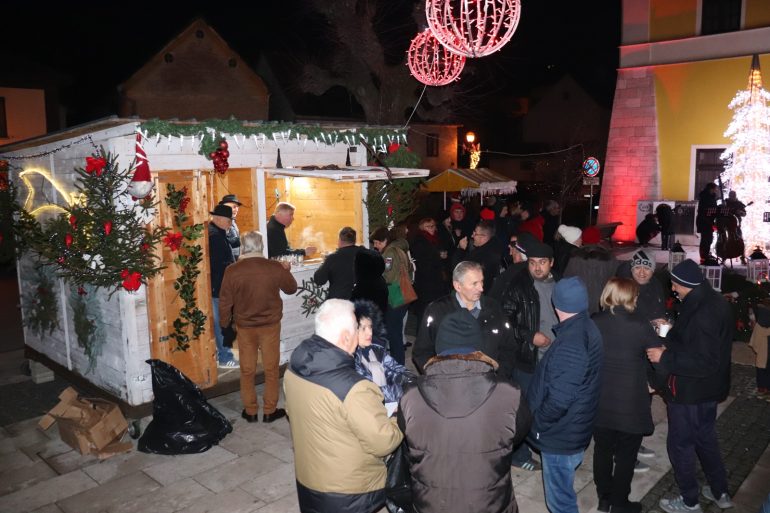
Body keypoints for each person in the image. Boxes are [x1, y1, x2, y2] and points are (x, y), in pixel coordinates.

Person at [398, 309, 532, 513]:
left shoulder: (411, 396)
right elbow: (519, 432)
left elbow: (406, 435)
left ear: (439, 349)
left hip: (431, 506)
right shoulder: (509, 393)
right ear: (478, 349)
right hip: (490, 505)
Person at [284, 299, 403, 513]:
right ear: (346, 336)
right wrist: (397, 416)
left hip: (308, 482)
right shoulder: (354, 388)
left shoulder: (294, 369)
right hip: (350, 492)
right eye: (358, 328)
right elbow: (384, 442)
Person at [646, 259, 734, 513]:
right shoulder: (709, 300)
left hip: (691, 391)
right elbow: (693, 342)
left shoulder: (703, 312)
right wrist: (667, 332)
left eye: (675, 284)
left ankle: (689, 501)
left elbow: (705, 362)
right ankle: (720, 491)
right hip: (709, 390)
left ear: (686, 284)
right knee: (705, 439)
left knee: (681, 445)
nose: (673, 288)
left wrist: (664, 358)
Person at [527, 276, 603, 513]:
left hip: (561, 436)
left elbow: (559, 400)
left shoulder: (571, 343)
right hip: (573, 428)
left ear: (556, 303)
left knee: (560, 503)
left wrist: (537, 424)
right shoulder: (586, 326)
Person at [591, 278, 658, 513]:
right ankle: (620, 503)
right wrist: (655, 384)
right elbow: (657, 357)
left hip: (600, 399)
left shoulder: (594, 321)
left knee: (602, 450)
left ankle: (604, 498)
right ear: (628, 297)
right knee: (626, 455)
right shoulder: (639, 323)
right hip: (630, 403)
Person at [219, 231, 297, 423]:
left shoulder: (232, 270)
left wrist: (225, 325)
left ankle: (251, 411)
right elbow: (291, 288)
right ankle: (270, 410)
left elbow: (225, 302)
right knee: (271, 369)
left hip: (245, 327)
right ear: (261, 246)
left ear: (243, 247)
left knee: (247, 370)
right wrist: (286, 270)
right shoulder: (274, 267)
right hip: (270, 326)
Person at [497, 240, 559, 471]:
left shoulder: (560, 283)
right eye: (532, 263)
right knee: (523, 408)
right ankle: (519, 454)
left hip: (554, 357)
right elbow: (505, 320)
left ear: (551, 263)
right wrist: (529, 335)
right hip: (527, 358)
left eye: (542, 262)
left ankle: (544, 443)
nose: (537, 268)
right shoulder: (518, 285)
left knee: (548, 405)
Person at [412, 261, 515, 378]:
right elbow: (422, 351)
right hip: (448, 383)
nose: (481, 288)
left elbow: (509, 348)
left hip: (488, 384)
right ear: (458, 286)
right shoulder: (437, 311)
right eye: (474, 284)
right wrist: (437, 378)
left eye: (481, 281)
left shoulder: (494, 308)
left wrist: (498, 376)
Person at [353, 300, 413, 404]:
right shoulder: (351, 359)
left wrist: (409, 380)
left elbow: (394, 368)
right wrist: (406, 389)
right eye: (363, 328)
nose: (369, 332)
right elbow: (374, 393)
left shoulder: (375, 349)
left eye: (370, 327)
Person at [370, 226, 413, 365]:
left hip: (394, 296)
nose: (375, 246)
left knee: (394, 334)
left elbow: (387, 275)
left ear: (385, 240)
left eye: (377, 242)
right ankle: (398, 363)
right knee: (396, 332)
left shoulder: (389, 252)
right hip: (402, 295)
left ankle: (398, 365)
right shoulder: (399, 249)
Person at [208, 204, 238, 368]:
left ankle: (225, 355)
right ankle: (225, 357)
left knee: (222, 321)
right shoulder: (215, 237)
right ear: (219, 219)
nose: (230, 224)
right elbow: (218, 265)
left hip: (219, 286)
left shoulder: (217, 233)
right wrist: (235, 267)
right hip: (218, 287)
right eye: (229, 220)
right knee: (221, 322)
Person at [564, 226, 619, 314]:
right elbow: (615, 278)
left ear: (584, 239)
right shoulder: (610, 258)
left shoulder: (575, 257)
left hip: (580, 301)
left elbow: (567, 278)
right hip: (602, 301)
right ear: (598, 239)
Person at [410, 217, 450, 326]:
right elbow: (422, 259)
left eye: (433, 226)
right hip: (426, 282)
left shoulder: (436, 238)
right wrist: (438, 256)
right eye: (428, 226)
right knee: (425, 310)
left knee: (436, 310)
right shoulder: (419, 240)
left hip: (436, 280)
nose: (432, 228)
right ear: (422, 228)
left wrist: (443, 256)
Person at [451, 220, 502, 294]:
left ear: (483, 237)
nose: (472, 236)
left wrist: (460, 249)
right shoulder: (494, 248)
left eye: (475, 234)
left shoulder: (479, 255)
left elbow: (458, 271)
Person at [313, 226, 362, 300]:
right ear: (354, 240)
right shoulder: (364, 254)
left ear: (340, 240)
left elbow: (319, 280)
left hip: (339, 301)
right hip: (360, 300)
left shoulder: (333, 258)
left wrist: (325, 262)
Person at [696, 183, 719, 264]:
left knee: (708, 239)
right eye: (715, 189)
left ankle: (705, 255)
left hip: (708, 221)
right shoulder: (705, 197)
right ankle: (703, 258)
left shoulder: (711, 197)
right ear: (711, 189)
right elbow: (704, 210)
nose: (716, 190)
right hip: (704, 221)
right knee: (705, 240)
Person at [219, 194, 243, 260]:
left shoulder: (232, 220)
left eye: (237, 207)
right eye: (234, 207)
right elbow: (223, 243)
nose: (237, 210)